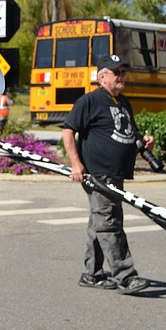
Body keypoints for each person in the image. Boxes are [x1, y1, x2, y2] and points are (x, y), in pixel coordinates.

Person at [62, 54, 154, 295]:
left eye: (123, 71)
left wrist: (143, 143)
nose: (122, 76)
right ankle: (125, 276)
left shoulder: (123, 102)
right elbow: (68, 132)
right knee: (109, 223)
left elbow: (128, 136)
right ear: (102, 77)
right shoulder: (89, 101)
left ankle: (91, 274)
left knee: (101, 222)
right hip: (97, 174)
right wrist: (76, 164)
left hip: (116, 174)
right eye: (117, 72)